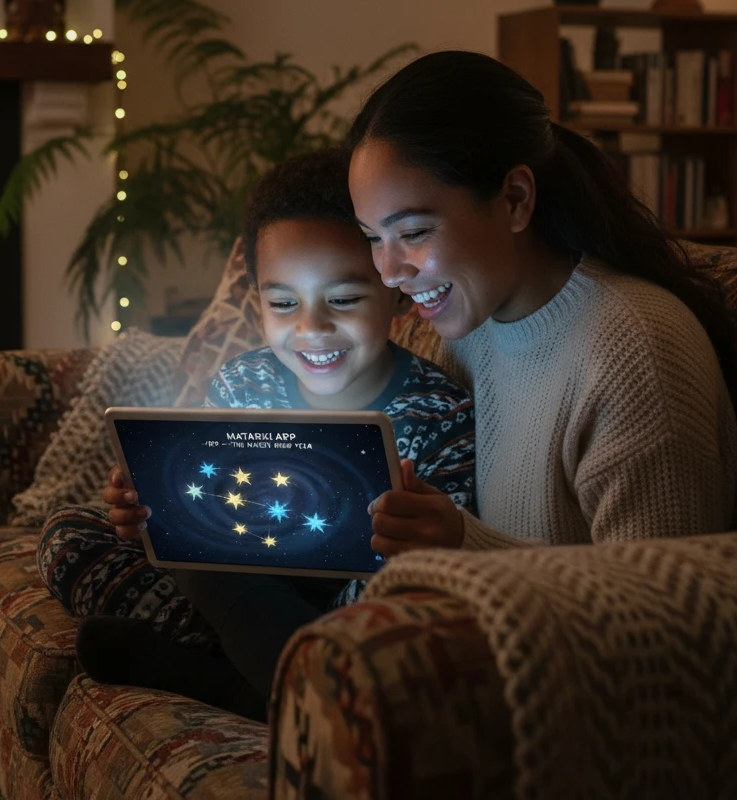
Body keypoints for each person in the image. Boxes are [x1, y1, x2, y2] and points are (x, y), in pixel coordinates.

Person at [37, 147, 475, 719]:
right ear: (257, 298)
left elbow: (444, 553)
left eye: (343, 300)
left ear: (394, 292)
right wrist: (143, 513)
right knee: (71, 536)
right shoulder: (242, 383)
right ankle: (281, 677)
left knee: (401, 595)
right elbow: (202, 503)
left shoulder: (438, 414)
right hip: (244, 575)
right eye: (283, 303)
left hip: (350, 599)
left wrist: (420, 531)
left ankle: (238, 680)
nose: (311, 329)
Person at [346, 49, 737, 554]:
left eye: (414, 231)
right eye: (373, 238)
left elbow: (653, 619)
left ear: (514, 198)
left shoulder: (638, 354)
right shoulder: (472, 328)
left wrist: (463, 545)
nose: (389, 272)